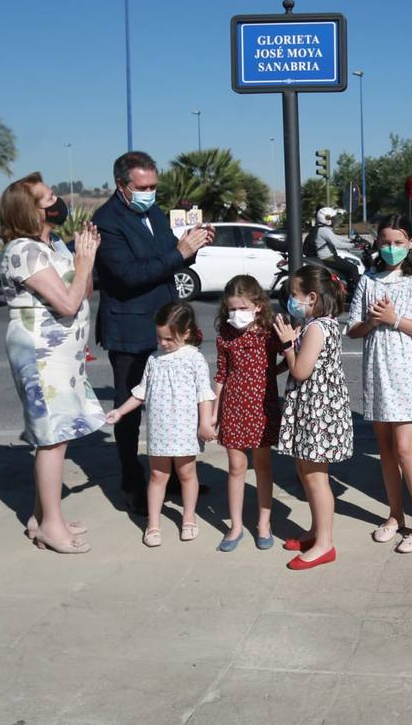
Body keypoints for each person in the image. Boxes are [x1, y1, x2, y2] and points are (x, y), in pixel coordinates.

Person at [94, 151, 213, 514]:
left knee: (175, 405)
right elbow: (130, 274)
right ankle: (133, 483)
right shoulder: (106, 221)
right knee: (130, 410)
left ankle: (176, 477)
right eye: (142, 187)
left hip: (168, 326)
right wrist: (179, 253)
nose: (150, 192)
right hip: (130, 329)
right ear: (122, 186)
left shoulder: (154, 213)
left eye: (153, 186)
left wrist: (193, 245)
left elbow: (165, 257)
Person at [0, 173, 106, 554]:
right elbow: (65, 303)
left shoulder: (52, 244)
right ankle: (51, 526)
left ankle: (41, 516)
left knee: (55, 434)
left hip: (63, 353)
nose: (56, 201)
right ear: (29, 210)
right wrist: (83, 263)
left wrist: (84, 261)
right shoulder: (22, 250)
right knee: (53, 437)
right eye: (47, 199)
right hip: (41, 352)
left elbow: (84, 290)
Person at [347, 214, 412, 552]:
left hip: (408, 372)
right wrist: (371, 322)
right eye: (386, 242)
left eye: (398, 242)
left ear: (411, 243)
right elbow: (352, 329)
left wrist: (394, 319)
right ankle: (395, 514)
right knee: (386, 448)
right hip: (377, 371)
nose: (391, 248)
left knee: (405, 448)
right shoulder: (368, 280)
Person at [106, 302, 216, 547]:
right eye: (160, 337)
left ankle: (188, 517)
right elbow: (140, 392)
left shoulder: (194, 359)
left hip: (185, 428)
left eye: (169, 338)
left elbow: (204, 394)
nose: (163, 343)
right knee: (157, 475)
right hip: (159, 429)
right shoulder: (154, 359)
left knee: (187, 473)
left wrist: (206, 423)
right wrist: (120, 412)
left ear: (186, 333)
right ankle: (153, 524)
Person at [273, 265, 354, 570]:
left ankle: (325, 544)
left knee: (316, 478)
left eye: (293, 295)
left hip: (319, 413)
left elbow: (301, 370)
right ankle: (316, 532)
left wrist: (286, 344)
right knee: (306, 471)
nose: (290, 300)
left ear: (311, 296)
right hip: (314, 410)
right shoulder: (320, 324)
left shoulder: (318, 328)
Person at [211, 275, 283, 551]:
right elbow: (221, 374)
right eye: (232, 309)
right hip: (234, 407)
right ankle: (236, 526)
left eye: (242, 308)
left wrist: (271, 374)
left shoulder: (269, 334)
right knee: (236, 467)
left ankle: (264, 523)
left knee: (263, 467)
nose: (236, 314)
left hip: (263, 408)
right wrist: (214, 412)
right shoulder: (225, 336)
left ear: (258, 306)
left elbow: (290, 356)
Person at [305, 206, 360, 286]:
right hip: (328, 258)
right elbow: (337, 244)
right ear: (326, 219)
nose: (335, 221)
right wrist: (354, 245)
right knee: (353, 268)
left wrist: (351, 240)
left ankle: (347, 285)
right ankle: (357, 291)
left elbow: (336, 237)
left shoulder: (322, 229)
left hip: (328, 257)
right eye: (333, 219)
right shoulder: (324, 231)